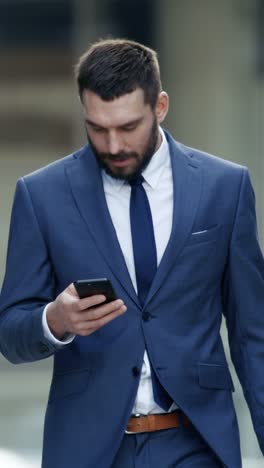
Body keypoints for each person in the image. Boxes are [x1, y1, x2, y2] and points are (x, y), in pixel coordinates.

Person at [0, 38, 263, 468]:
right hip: (89, 449)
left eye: (127, 127)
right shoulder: (41, 195)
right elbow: (9, 332)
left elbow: (254, 335)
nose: (114, 145)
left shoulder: (224, 188)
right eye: (97, 128)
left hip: (197, 442)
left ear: (160, 107)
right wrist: (54, 320)